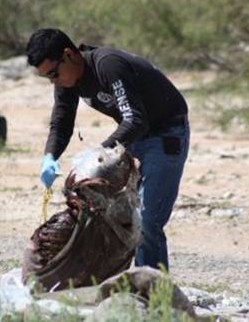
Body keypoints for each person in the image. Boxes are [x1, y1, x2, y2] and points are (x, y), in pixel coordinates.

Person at [26, 28, 190, 271]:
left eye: (53, 73)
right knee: (108, 212)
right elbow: (61, 122)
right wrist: (49, 156)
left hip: (165, 135)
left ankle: (154, 296)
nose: (54, 81)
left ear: (69, 55)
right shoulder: (67, 78)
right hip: (133, 138)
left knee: (146, 222)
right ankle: (114, 279)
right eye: (47, 78)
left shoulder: (108, 66)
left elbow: (135, 119)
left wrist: (98, 153)